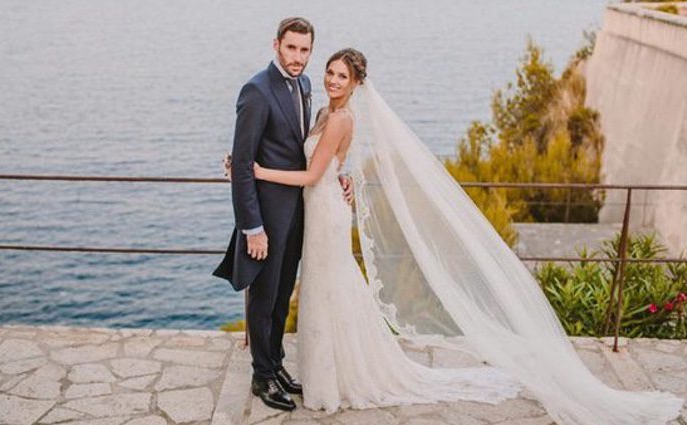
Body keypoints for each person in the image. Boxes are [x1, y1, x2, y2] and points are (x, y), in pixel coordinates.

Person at [251, 48, 685, 424]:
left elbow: (311, 174)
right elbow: (328, 165)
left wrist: (256, 171)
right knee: (324, 290)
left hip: (323, 211)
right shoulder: (325, 109)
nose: (332, 79)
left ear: (357, 82)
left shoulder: (342, 118)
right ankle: (327, 370)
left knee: (331, 288)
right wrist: (340, 176)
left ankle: (338, 378)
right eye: (329, 72)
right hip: (324, 205)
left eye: (341, 75)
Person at [212, 17, 353, 412]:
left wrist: (341, 176)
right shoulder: (256, 91)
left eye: (304, 50)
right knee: (262, 296)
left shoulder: (306, 85)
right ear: (276, 45)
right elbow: (243, 165)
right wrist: (252, 227)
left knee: (280, 297)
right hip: (267, 219)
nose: (297, 57)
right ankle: (261, 376)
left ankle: (275, 364)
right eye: (291, 48)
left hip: (299, 213)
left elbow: (310, 149)